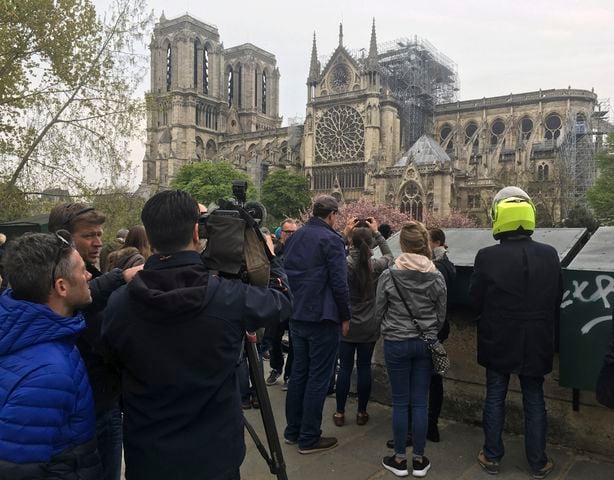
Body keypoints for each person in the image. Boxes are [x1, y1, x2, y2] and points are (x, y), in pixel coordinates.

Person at [102, 190, 292, 480]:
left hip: (149, 457)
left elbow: (113, 369)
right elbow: (282, 302)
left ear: (149, 238)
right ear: (196, 231)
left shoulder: (118, 304)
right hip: (214, 458)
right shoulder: (229, 298)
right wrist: (267, 254)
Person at [470, 186, 562, 479]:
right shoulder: (550, 254)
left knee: (495, 395)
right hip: (537, 338)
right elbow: (558, 295)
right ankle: (538, 461)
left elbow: (475, 299)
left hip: (498, 338)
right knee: (534, 398)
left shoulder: (486, 256)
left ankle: (493, 455)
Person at [48, 203, 142, 480]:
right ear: (64, 238)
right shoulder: (48, 281)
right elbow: (80, 302)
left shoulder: (92, 273)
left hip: (107, 403)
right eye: (89, 235)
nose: (98, 242)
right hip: (75, 414)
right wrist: (121, 277)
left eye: (100, 234)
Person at [0, 232, 102, 478]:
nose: (89, 275)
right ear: (62, 287)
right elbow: (17, 471)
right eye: (81, 271)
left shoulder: (26, 331)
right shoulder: (49, 373)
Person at [376, 221, 447, 478]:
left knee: (399, 402)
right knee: (420, 402)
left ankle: (398, 459)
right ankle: (418, 460)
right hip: (425, 343)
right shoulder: (436, 275)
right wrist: (426, 331)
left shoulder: (389, 274)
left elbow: (378, 311)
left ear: (403, 244)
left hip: (396, 343)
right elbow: (441, 316)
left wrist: (392, 329)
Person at [284, 195, 351, 454]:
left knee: (299, 373)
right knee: (318, 378)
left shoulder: (295, 236)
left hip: (297, 314)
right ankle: (309, 437)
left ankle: (293, 431)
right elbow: (339, 284)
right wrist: (345, 316)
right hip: (323, 318)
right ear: (332, 215)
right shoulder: (331, 240)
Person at [333, 217, 393, 427]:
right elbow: (389, 256)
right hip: (369, 324)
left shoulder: (343, 263)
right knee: (365, 368)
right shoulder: (375, 266)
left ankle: (340, 413)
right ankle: (362, 412)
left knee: (345, 369)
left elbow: (335, 253)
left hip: (346, 323)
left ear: (351, 242)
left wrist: (345, 233)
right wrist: (377, 233)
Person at [266, 218, 298, 389]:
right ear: (281, 233)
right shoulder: (274, 251)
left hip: (294, 303)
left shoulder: (302, 252)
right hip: (277, 301)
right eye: (287, 232)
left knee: (294, 341)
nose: (291, 235)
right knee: (274, 339)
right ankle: (276, 367)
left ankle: (289, 374)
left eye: (294, 232)